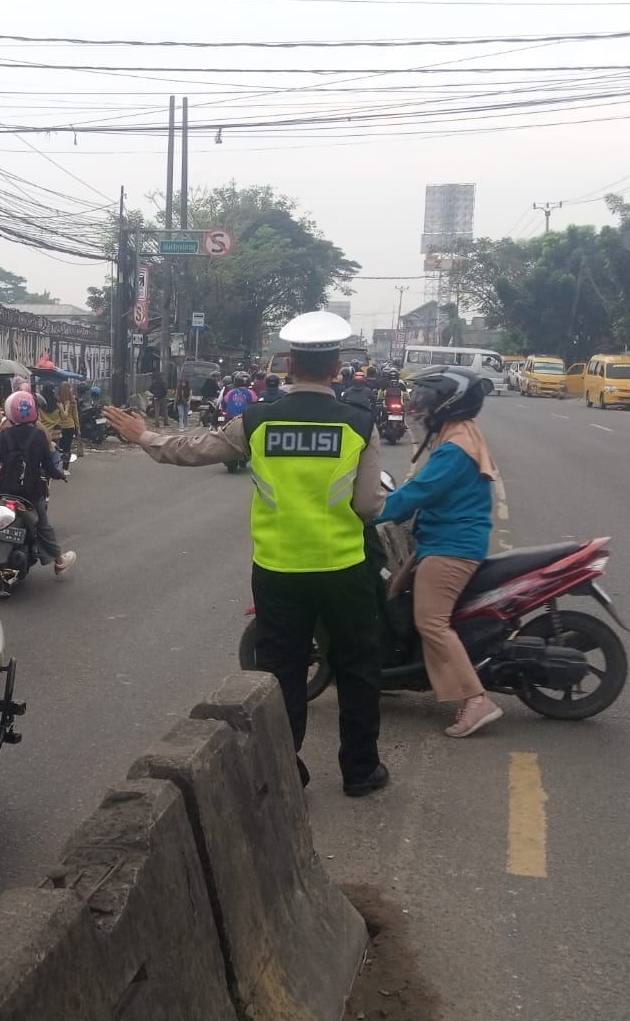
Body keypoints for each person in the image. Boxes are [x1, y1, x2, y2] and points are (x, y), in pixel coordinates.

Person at [104, 310, 388, 796]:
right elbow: (367, 505)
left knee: (283, 672)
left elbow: (193, 449)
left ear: (289, 365)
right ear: (336, 365)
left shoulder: (257, 418)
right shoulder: (359, 422)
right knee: (358, 667)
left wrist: (145, 436)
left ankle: (286, 772)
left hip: (278, 571)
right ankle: (360, 771)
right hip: (343, 568)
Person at [375, 368, 502, 738]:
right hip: (447, 540)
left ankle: (476, 700)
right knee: (397, 593)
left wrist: (370, 513)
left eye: (428, 399)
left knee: (431, 621)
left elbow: (418, 493)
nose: (420, 405)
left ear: (448, 403)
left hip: (451, 547)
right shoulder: (459, 434)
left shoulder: (454, 448)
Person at [0, 390, 76, 575]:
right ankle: (59, 561)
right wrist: (59, 474)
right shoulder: (39, 435)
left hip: (4, 488)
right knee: (43, 525)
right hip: (31, 491)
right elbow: (48, 464)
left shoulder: (5, 435)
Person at [56, 381, 80, 464]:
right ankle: (65, 467)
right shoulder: (73, 401)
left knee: (59, 447)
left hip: (59, 427)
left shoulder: (57, 401)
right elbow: (75, 416)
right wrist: (78, 427)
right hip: (70, 427)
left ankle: (58, 465)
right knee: (67, 448)